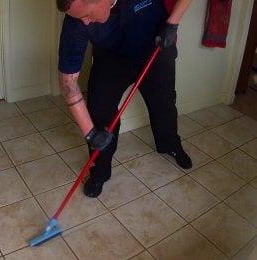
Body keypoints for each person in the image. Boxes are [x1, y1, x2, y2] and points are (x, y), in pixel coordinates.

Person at [57, 0, 193, 198]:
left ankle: (170, 145)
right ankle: (100, 172)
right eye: (79, 18)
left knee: (164, 104)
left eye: (86, 15)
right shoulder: (75, 23)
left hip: (155, 48)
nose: (84, 22)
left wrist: (173, 23)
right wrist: (90, 134)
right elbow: (68, 83)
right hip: (111, 60)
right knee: (99, 113)